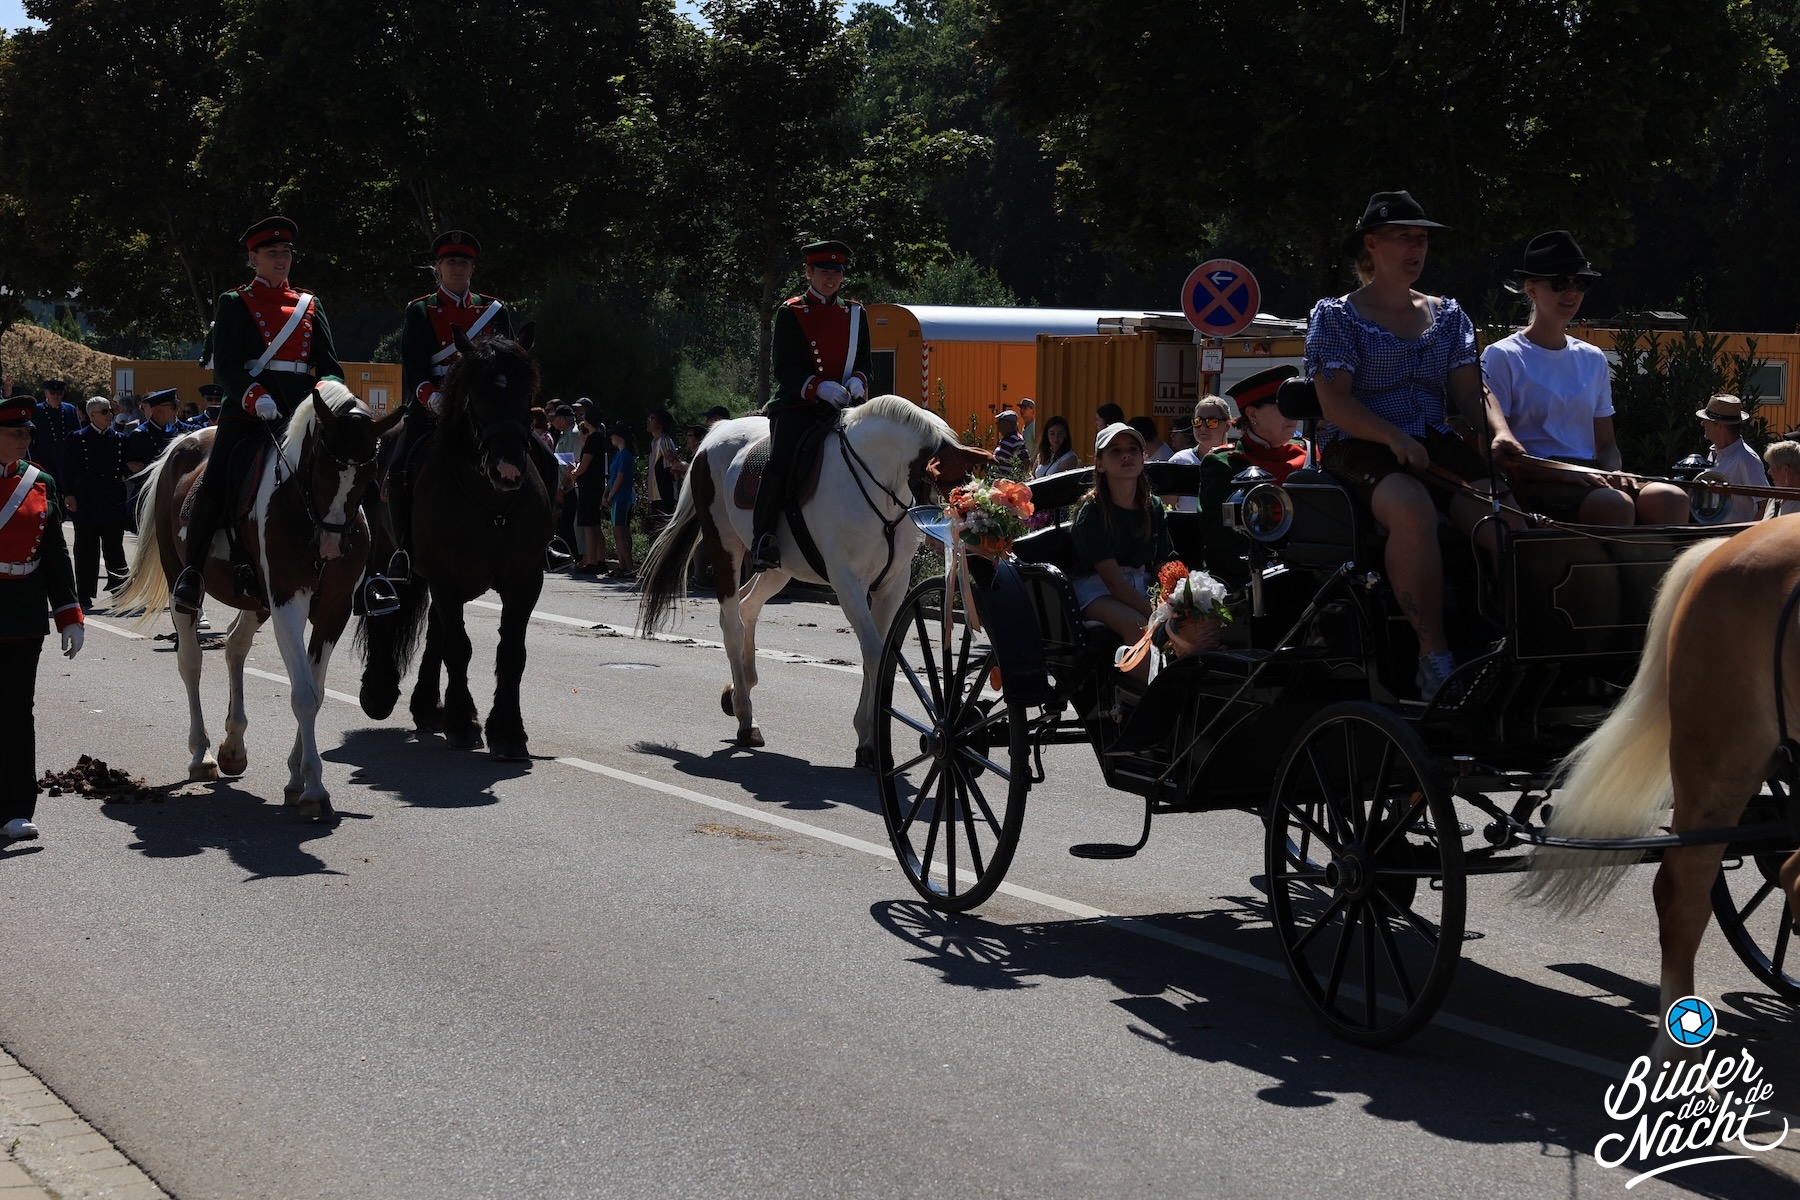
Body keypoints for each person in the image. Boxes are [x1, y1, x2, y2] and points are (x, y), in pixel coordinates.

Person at [1305, 190, 1526, 701]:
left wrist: (1500, 432)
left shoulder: (1448, 316)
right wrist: (1392, 435)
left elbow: (1471, 392)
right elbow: (1335, 403)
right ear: (1372, 244)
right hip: (1359, 444)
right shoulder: (1336, 316)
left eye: (1421, 239)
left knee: (1505, 519)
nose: (1416, 248)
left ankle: (1517, 643)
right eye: (1404, 237)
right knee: (1411, 507)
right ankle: (1434, 658)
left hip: (1432, 441)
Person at [171, 216, 349, 614]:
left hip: (301, 411)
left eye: (286, 252)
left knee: (350, 470)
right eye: (271, 253)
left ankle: (370, 570)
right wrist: (255, 396)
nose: (281, 259)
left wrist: (326, 392)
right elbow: (227, 366)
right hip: (249, 411)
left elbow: (330, 366)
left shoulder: (309, 303)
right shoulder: (235, 302)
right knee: (217, 478)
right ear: (253, 258)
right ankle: (192, 572)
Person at [1483, 231, 1689, 526]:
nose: (1571, 293)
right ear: (1531, 289)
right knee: (1614, 505)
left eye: (1580, 283)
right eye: (1559, 283)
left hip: (1590, 475)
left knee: (1671, 497)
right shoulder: (1502, 356)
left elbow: (1606, 445)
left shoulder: (1593, 358)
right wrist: (1564, 473)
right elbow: (1496, 453)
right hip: (1535, 481)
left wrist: (1614, 472)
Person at [388, 229, 517, 583]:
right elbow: (414, 365)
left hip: (486, 407)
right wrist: (432, 396)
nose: (457, 267)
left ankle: (541, 540)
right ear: (438, 268)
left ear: (472, 269)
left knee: (535, 456)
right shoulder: (420, 310)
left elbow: (510, 362)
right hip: (434, 407)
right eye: (450, 262)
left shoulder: (494, 310)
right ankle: (403, 549)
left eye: (464, 262)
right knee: (397, 469)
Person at [751, 239, 872, 571]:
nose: (831, 278)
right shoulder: (791, 312)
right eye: (823, 272)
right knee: (780, 462)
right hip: (798, 405)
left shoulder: (855, 313)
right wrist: (819, 387)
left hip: (844, 405)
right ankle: (763, 538)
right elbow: (784, 368)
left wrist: (858, 380)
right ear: (808, 272)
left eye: (837, 272)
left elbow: (865, 361)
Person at [0, 393, 84, 843]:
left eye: (27, 432)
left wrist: (69, 614)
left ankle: (16, 809)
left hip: (22, 616)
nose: (24, 439)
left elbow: (54, 553)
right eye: (15, 433)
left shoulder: (40, 482)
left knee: (17, 713)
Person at [1070, 423, 1191, 679]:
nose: (1126, 455)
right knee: (1139, 627)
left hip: (1140, 582)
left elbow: (1161, 563)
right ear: (1100, 464)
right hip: (1097, 589)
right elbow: (1113, 582)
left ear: (1143, 457)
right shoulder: (1092, 512)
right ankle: (1149, 695)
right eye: (1115, 451)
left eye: (1133, 450)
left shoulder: (1152, 506)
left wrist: (1178, 598)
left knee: (1190, 624)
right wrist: (1156, 614)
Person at [1198, 366, 1310, 578]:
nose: (1292, 413)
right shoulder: (1224, 463)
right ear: (1252, 414)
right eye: (1281, 406)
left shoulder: (1310, 452)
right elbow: (1222, 542)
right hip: (1258, 579)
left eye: (1293, 405)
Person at [60, 396, 132, 608]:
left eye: (110, 410)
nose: (110, 414)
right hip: (86, 501)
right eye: (104, 411)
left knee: (114, 548)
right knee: (86, 549)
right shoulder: (78, 438)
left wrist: (131, 469)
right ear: (92, 415)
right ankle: (84, 593)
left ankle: (119, 591)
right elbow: (68, 468)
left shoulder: (119, 439)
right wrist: (69, 494)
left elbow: (125, 467)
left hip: (112, 499)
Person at [1697, 394, 1765, 523]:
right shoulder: (1714, 453)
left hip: (1734, 534)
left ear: (1720, 425)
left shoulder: (1746, 459)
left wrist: (1746, 533)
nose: (1702, 423)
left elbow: (1765, 505)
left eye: (1707, 420)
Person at [1165, 396, 1234, 513]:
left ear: (1227, 425)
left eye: (1211, 422)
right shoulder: (1179, 462)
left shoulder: (1237, 462)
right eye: (1198, 421)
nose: (1202, 427)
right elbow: (1166, 507)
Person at [568, 411, 611, 574]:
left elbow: (585, 463)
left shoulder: (593, 439)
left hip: (589, 487)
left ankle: (592, 562)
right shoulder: (599, 438)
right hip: (595, 485)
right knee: (595, 523)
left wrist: (575, 473)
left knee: (588, 524)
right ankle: (600, 560)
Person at [29, 380, 80, 488]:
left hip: (65, 458)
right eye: (52, 393)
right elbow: (30, 435)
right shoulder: (37, 410)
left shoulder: (70, 409)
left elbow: (76, 433)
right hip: (44, 458)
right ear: (46, 393)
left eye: (59, 393)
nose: (56, 396)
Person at [604, 422, 637, 577]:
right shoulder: (618, 455)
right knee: (617, 532)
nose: (611, 437)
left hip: (622, 497)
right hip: (616, 497)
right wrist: (606, 493)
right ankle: (622, 566)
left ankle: (629, 568)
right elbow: (612, 477)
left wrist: (611, 495)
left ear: (620, 437)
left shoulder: (625, 455)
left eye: (613, 434)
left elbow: (620, 477)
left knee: (620, 532)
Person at [644, 407, 684, 530]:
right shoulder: (654, 442)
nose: (648, 421)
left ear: (660, 424)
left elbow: (672, 469)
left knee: (665, 528)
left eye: (652, 418)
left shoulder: (664, 441)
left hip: (664, 493)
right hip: (656, 494)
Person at [1763, 440, 1800, 518]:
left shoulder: (1797, 504)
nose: (1769, 472)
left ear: (1785, 470)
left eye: (1772, 467)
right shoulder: (1774, 498)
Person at [991, 409, 1027, 476]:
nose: (997, 424)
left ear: (1008, 424)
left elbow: (1025, 462)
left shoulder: (1016, 440)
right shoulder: (1006, 439)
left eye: (999, 422)